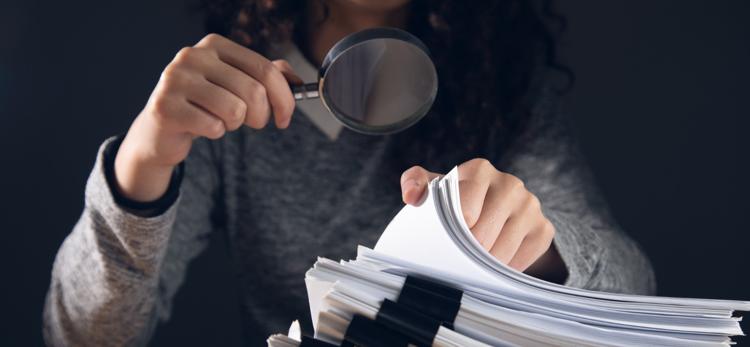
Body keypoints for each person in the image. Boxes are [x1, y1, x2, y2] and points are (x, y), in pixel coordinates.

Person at [43, 0, 656, 345]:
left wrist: (544, 250)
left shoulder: (506, 88)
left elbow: (635, 295)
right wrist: (141, 165)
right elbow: (79, 338)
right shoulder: (221, 99)